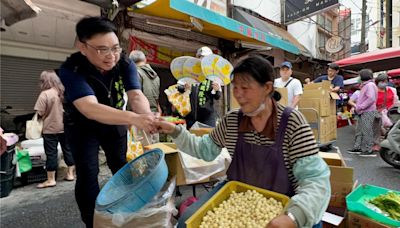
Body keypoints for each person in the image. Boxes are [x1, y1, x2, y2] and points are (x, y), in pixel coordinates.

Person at [157, 55, 330, 228]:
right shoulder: (232, 121)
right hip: (237, 197)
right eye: (235, 87)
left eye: (245, 87)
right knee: (186, 221)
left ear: (267, 88)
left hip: (282, 200)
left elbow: (315, 181)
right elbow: (205, 150)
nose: (238, 94)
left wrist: (294, 216)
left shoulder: (292, 122)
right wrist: (174, 130)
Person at [59, 17, 156, 228]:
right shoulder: (71, 69)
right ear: (82, 47)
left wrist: (148, 118)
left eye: (115, 48)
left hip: (114, 121)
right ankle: (93, 221)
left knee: (123, 168)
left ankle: (129, 213)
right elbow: (89, 108)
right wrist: (134, 118)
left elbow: (136, 95)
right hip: (81, 126)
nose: (111, 56)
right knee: (88, 174)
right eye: (103, 50)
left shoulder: (125, 63)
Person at [33, 70, 75, 188]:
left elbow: (39, 113)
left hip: (50, 129)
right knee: (68, 150)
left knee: (51, 153)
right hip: (66, 127)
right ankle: (71, 174)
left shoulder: (45, 94)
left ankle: (51, 180)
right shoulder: (65, 92)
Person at [183, 46, 221, 129]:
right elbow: (179, 89)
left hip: (207, 118)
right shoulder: (189, 74)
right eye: (200, 57)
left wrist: (217, 90)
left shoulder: (213, 76)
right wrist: (185, 89)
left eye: (205, 58)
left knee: (208, 140)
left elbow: (217, 96)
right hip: (191, 117)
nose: (202, 60)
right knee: (192, 141)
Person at [348, 69, 378, 157]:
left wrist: (360, 107)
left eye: (359, 76)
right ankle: (357, 147)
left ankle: (368, 150)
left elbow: (371, 98)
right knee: (360, 130)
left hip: (367, 111)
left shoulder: (369, 85)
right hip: (363, 111)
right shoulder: (366, 85)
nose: (358, 78)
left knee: (366, 130)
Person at [373, 73, 399, 150]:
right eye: (381, 81)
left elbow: (396, 101)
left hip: (390, 111)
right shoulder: (374, 90)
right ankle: (376, 144)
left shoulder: (392, 90)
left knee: (392, 127)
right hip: (377, 111)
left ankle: (390, 142)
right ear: (377, 82)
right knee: (377, 128)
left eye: (385, 81)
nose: (383, 83)